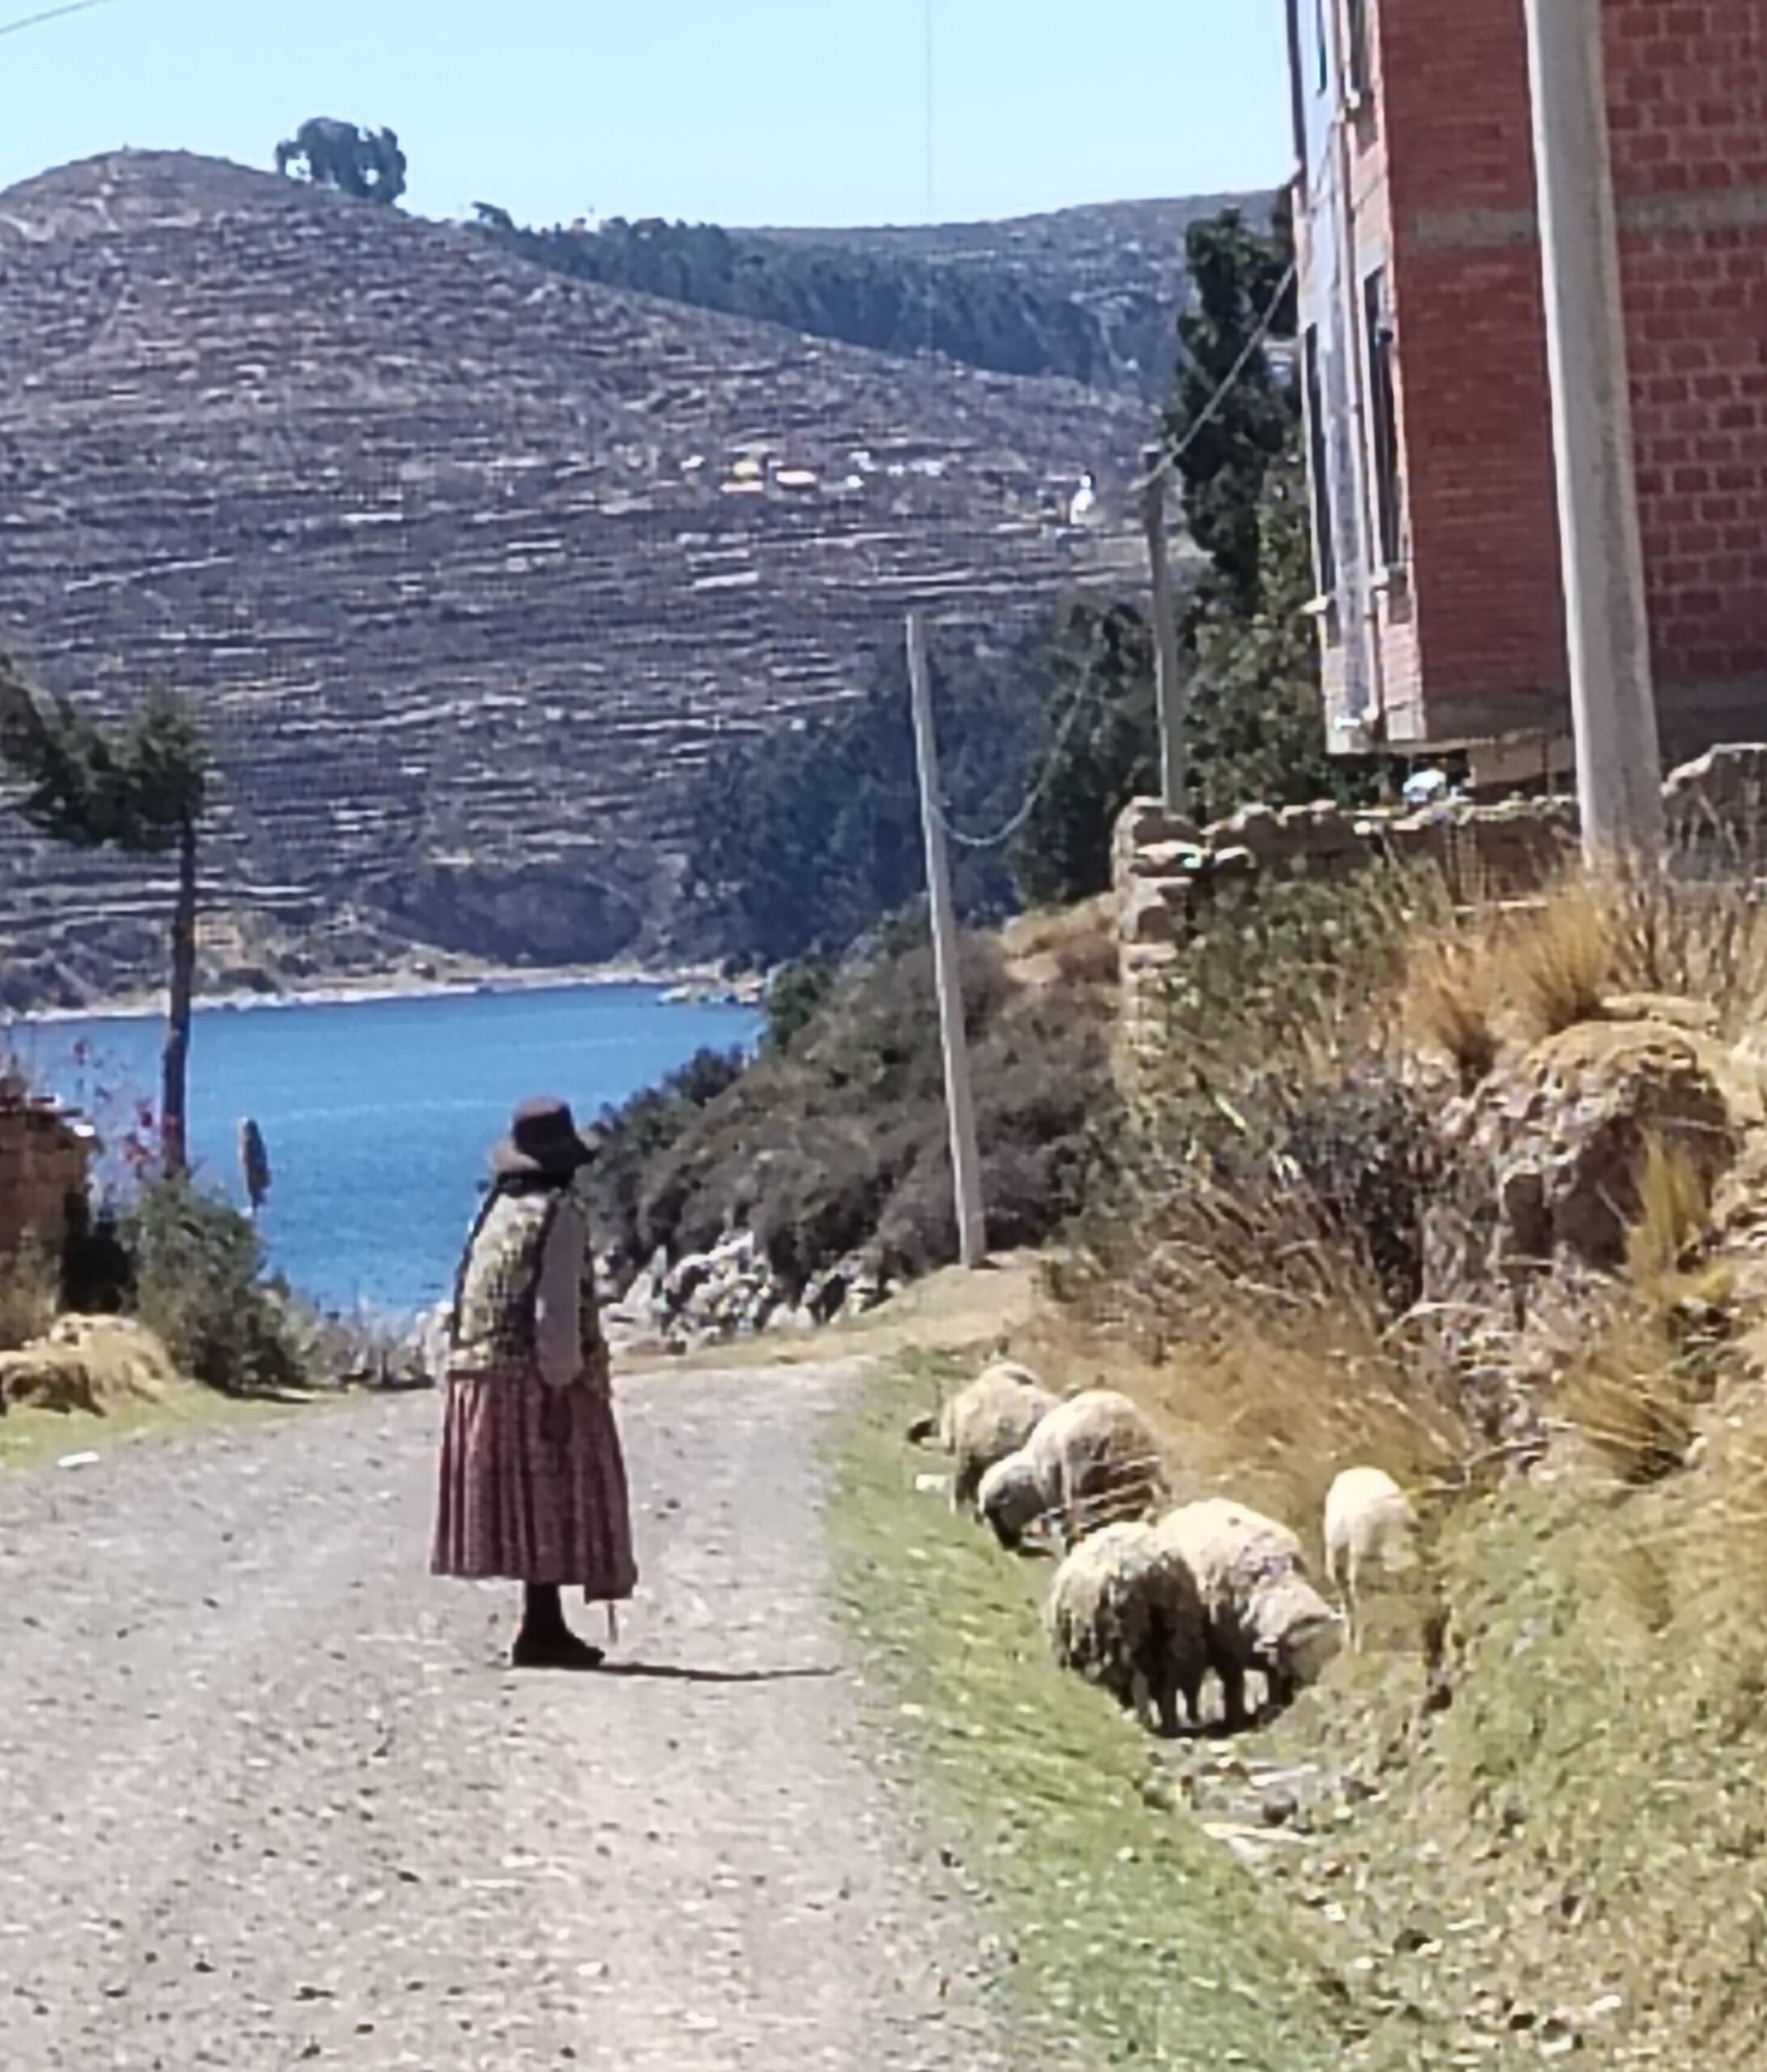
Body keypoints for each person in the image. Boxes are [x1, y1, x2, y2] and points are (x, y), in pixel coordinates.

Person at [431, 1096, 637, 1668]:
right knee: (553, 1496)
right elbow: (555, 1308)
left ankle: (542, 1621)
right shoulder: (558, 1217)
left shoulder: (494, 1212)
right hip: (530, 1378)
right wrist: (563, 1379)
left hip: (479, 1374)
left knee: (531, 1501)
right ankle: (543, 1626)